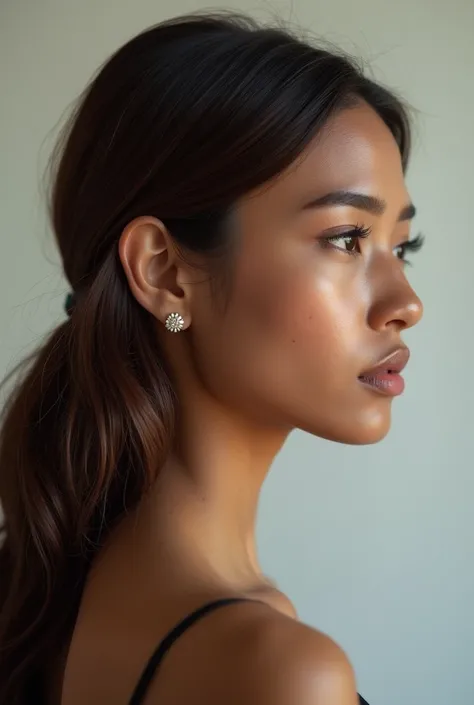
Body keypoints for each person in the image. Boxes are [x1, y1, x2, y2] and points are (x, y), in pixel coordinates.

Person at [0, 10, 424, 705]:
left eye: (402, 246)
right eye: (347, 238)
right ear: (164, 272)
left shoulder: (64, 600)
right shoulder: (279, 673)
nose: (405, 301)